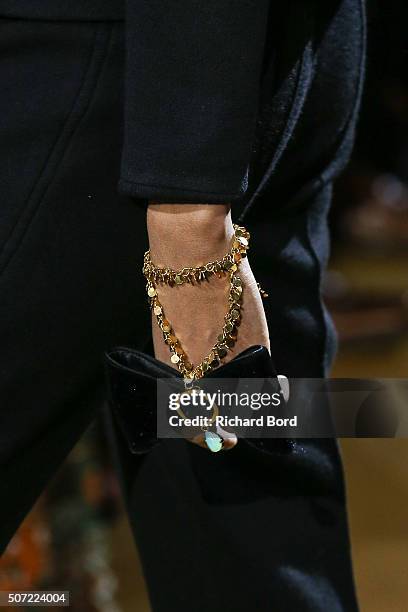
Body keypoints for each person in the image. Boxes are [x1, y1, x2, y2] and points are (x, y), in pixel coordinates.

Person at [0, 0, 365, 609]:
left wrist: (190, 220)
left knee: (245, 519)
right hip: (238, 65)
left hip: (125, 76)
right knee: (248, 539)